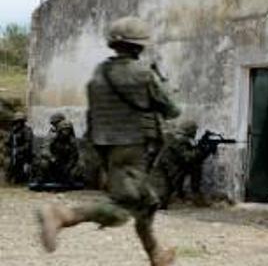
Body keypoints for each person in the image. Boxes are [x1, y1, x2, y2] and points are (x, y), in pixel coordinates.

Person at [36, 16, 181, 266]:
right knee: (122, 209)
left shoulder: (99, 73)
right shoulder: (143, 74)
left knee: (147, 202)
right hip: (134, 146)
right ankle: (63, 215)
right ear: (139, 45)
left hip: (106, 146)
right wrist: (162, 80)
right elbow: (172, 110)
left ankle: (155, 253)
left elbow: (96, 116)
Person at [151, 120, 203, 209]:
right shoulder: (179, 140)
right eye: (194, 131)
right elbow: (188, 157)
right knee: (160, 202)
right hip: (162, 170)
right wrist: (201, 149)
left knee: (195, 167)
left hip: (168, 168)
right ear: (190, 131)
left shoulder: (177, 138)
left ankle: (182, 194)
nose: (195, 133)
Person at [32, 119, 83, 188]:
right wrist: (52, 158)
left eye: (68, 130)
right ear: (60, 130)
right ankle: (42, 179)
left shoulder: (72, 142)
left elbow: (74, 156)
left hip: (65, 164)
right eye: (64, 130)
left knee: (79, 166)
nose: (66, 132)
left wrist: (68, 166)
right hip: (53, 163)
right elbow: (44, 150)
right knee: (44, 163)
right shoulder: (53, 138)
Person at [5, 111, 34, 184]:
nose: (18, 123)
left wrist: (18, 150)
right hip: (14, 154)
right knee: (8, 163)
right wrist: (10, 150)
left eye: (20, 121)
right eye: (16, 122)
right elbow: (8, 143)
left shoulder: (27, 130)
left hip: (25, 155)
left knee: (23, 172)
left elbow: (28, 144)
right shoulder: (13, 131)